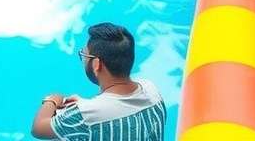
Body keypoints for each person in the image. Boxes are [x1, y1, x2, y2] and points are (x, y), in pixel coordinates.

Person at [30, 23, 166, 140]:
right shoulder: (152, 90)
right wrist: (85, 105)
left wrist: (52, 100)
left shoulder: (86, 115)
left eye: (84, 55)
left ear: (96, 64)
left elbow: (38, 129)